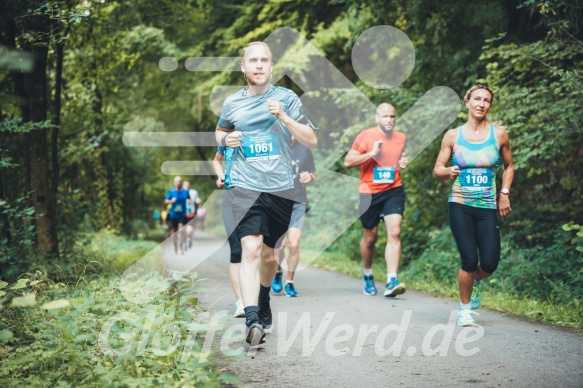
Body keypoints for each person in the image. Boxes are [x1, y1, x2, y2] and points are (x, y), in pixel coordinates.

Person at [215, 41, 317, 344]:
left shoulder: (287, 98)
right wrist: (226, 140)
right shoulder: (232, 103)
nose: (259, 65)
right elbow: (220, 131)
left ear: (271, 66)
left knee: (271, 255)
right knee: (250, 249)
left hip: (282, 189)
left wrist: (285, 118)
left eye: (265, 60)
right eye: (253, 60)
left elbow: (310, 138)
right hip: (245, 188)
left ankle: (263, 297)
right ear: (243, 67)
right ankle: (251, 318)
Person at [433, 84, 514, 327]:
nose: (481, 103)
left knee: (489, 263)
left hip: (487, 206)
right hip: (460, 205)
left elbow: (509, 165)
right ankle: (465, 310)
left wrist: (504, 193)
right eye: (476, 99)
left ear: (490, 105)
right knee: (468, 260)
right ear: (466, 102)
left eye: (486, 100)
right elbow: (437, 168)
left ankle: (475, 281)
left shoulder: (499, 134)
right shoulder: (452, 136)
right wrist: (447, 171)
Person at [344, 103, 408, 297]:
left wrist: (401, 163)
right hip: (369, 192)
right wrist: (371, 153)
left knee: (395, 232)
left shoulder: (401, 137)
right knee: (370, 238)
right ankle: (368, 274)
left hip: (393, 189)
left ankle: (391, 280)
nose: (389, 120)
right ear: (377, 118)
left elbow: (396, 159)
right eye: (385, 116)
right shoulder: (366, 135)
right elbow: (348, 162)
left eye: (392, 116)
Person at [272, 136, 316, 297]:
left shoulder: (304, 149)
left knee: (294, 245)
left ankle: (289, 282)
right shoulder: (275, 147)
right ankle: (277, 272)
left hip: (298, 202)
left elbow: (312, 173)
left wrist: (310, 177)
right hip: (279, 203)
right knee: (280, 246)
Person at [213, 146, 245, 318]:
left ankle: (256, 299)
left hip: (255, 198)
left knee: (254, 250)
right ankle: (240, 302)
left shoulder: (258, 133)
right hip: (231, 197)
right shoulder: (227, 139)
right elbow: (216, 160)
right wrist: (221, 176)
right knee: (236, 250)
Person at [164, 176, 190, 255]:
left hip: (182, 214)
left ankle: (181, 247)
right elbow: (165, 201)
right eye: (177, 181)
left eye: (180, 181)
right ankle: (175, 247)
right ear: (174, 183)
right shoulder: (171, 192)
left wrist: (189, 201)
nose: (178, 182)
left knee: (181, 230)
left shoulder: (186, 191)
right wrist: (171, 201)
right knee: (174, 232)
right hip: (173, 215)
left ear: (181, 182)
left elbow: (189, 198)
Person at [183, 180, 201, 250]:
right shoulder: (180, 192)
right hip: (182, 213)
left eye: (188, 184)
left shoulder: (194, 192)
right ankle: (186, 240)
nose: (186, 186)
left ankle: (188, 238)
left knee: (190, 228)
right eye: (185, 184)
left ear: (190, 185)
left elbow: (197, 200)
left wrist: (198, 201)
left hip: (192, 212)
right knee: (183, 228)